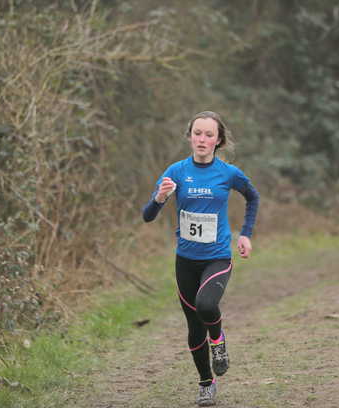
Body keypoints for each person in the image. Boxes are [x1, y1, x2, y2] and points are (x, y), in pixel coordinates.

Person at [142, 111, 259, 406]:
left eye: (209, 134)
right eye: (197, 133)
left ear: (218, 140)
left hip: (217, 257)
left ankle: (218, 341)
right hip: (186, 260)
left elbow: (253, 197)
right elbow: (148, 216)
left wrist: (245, 234)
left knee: (206, 304)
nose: (202, 139)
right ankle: (206, 383)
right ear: (190, 136)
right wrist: (159, 198)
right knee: (194, 327)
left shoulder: (228, 173)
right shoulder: (177, 171)